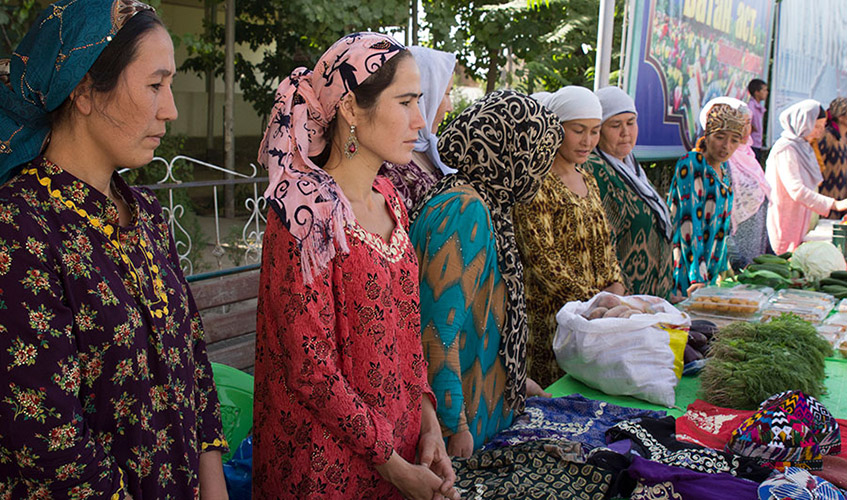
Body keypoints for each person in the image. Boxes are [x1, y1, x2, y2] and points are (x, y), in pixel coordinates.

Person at [0, 1, 229, 498]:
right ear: (83, 89)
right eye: (154, 84)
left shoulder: (145, 212)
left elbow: (194, 366)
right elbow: (50, 445)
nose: (169, 108)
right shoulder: (21, 225)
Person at [252, 33, 458, 500]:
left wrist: (429, 425)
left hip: (402, 454)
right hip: (326, 469)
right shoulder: (302, 213)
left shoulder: (390, 197)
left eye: (419, 101)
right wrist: (393, 467)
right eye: (405, 102)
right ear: (349, 107)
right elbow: (311, 368)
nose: (422, 122)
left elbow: (408, 327)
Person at [409, 90, 563, 457]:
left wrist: (514, 380)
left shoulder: (481, 199)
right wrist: (454, 427)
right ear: (512, 154)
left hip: (482, 405)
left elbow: (482, 311)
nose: (541, 173)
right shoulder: (466, 211)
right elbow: (435, 335)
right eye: (539, 158)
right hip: (459, 430)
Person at [514, 86, 625, 389]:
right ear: (554, 128)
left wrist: (615, 285)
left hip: (600, 318)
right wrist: (597, 302)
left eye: (595, 131)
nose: (588, 140)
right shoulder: (536, 184)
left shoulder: (586, 177)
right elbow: (542, 263)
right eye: (578, 130)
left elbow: (604, 241)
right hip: (556, 322)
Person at [587, 86, 675, 299]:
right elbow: (602, 244)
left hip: (651, 300)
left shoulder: (631, 167)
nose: (625, 132)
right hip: (623, 304)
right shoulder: (595, 170)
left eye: (631, 122)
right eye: (615, 125)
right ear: (598, 130)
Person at [668, 103, 746, 296]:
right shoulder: (692, 164)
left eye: (734, 140)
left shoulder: (723, 170)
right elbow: (688, 222)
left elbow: (721, 223)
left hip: (708, 269)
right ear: (707, 136)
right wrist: (697, 275)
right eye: (720, 137)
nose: (726, 146)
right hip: (686, 268)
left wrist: (723, 266)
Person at [379, 46, 456, 212]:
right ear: (428, 96)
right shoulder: (390, 162)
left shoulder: (434, 149)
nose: (450, 107)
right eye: (447, 94)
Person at [698, 98, 772, 269]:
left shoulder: (747, 155)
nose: (747, 130)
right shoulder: (717, 162)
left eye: (748, 123)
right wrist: (735, 259)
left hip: (752, 249)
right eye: (742, 123)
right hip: (729, 256)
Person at [766, 100, 847, 255]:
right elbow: (797, 190)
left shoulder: (802, 146)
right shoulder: (786, 149)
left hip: (803, 216)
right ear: (801, 122)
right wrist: (834, 205)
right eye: (816, 126)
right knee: (784, 258)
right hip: (787, 217)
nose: (820, 131)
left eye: (822, 126)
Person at [818, 97, 847, 218]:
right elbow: (817, 167)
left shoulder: (844, 138)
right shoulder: (826, 136)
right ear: (841, 116)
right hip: (828, 200)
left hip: (843, 200)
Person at [747, 78, 768, 163]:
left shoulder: (758, 106)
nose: (766, 92)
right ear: (757, 92)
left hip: (757, 144)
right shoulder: (751, 106)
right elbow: (747, 123)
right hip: (752, 144)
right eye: (764, 90)